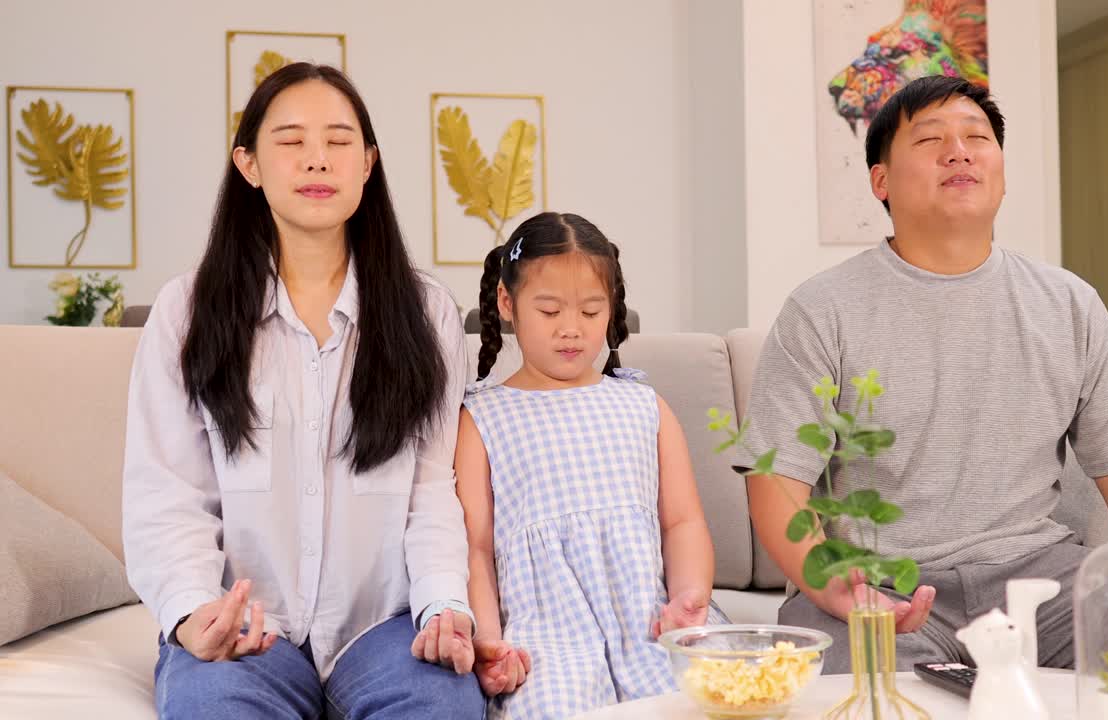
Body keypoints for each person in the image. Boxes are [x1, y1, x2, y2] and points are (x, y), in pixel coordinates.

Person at [741, 75, 1108, 683]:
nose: (958, 151)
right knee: (832, 662)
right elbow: (776, 483)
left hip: (1041, 582)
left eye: (976, 137)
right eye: (930, 139)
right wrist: (832, 587)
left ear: (1001, 168)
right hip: (882, 583)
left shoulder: (1068, 302)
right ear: (881, 181)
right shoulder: (821, 309)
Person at [122, 63, 483, 719]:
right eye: (290, 140)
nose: (317, 159)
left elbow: (434, 489)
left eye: (339, 141)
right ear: (249, 164)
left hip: (389, 627)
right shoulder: (186, 311)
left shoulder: (425, 312)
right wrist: (192, 610)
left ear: (368, 163)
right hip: (244, 626)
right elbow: (167, 492)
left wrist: (444, 605)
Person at [455, 211, 727, 719]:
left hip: (649, 623)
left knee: (706, 700)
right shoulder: (482, 417)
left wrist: (689, 601)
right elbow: (475, 547)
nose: (571, 330)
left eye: (591, 311)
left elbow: (682, 521)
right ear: (507, 304)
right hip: (548, 638)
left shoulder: (645, 405)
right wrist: (489, 641)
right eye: (550, 311)